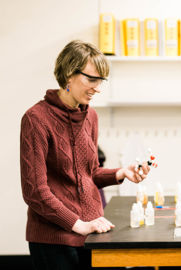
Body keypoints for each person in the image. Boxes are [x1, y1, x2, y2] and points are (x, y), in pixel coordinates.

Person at [20, 40, 150, 270]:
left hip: (93, 234)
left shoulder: (91, 117)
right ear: (69, 73)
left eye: (101, 81)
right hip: (54, 240)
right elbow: (35, 192)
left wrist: (121, 173)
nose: (97, 88)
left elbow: (88, 174)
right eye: (91, 79)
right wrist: (76, 224)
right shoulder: (36, 119)